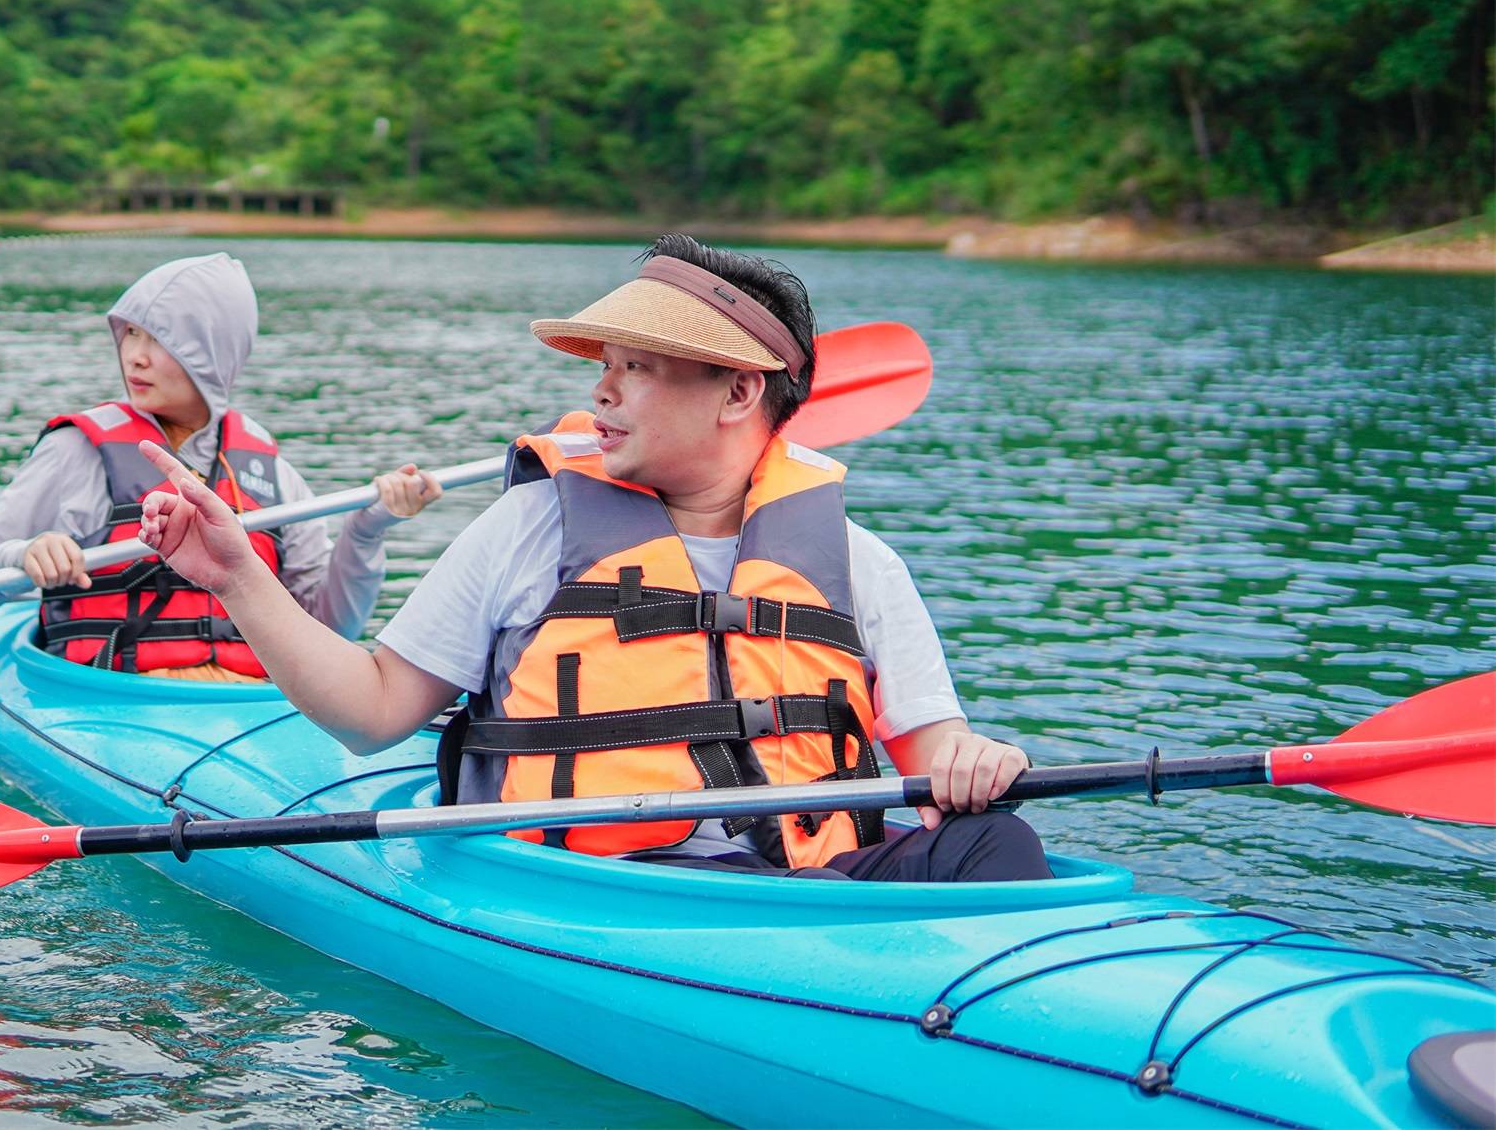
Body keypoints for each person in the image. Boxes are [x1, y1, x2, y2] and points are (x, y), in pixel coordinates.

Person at [127, 235, 1051, 879]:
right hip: (615, 890)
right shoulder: (529, 530)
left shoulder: (858, 561)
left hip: (821, 879)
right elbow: (373, 714)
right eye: (602, 364)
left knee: (995, 846)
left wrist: (976, 760)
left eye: (635, 367)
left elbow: (936, 755)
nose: (599, 391)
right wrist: (237, 575)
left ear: (738, 392)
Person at [0, 251, 442, 683]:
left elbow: (328, 629)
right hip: (112, 700)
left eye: (159, 341)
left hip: (246, 704)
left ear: (213, 353)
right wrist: (25, 555)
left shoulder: (271, 473)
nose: (134, 358)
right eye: (130, 334)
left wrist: (366, 531)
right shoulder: (75, 451)